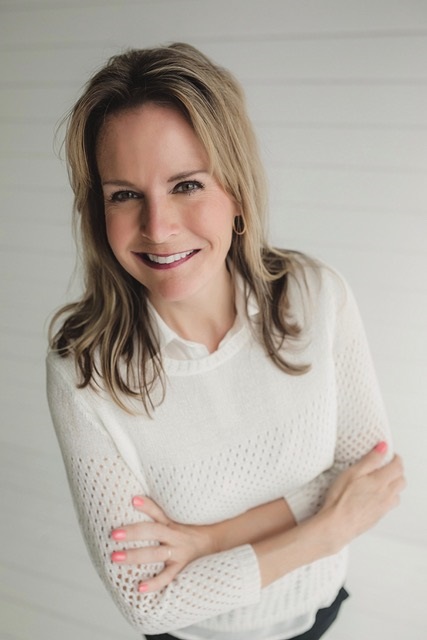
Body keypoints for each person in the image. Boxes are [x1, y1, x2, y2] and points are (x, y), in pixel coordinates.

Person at [46, 42, 405, 640]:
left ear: (236, 192)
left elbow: (370, 478)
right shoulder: (85, 369)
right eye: (125, 194)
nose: (157, 228)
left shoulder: (316, 297)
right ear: (98, 210)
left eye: (186, 185)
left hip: (318, 616)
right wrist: (324, 531)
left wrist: (208, 541)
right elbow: (150, 604)